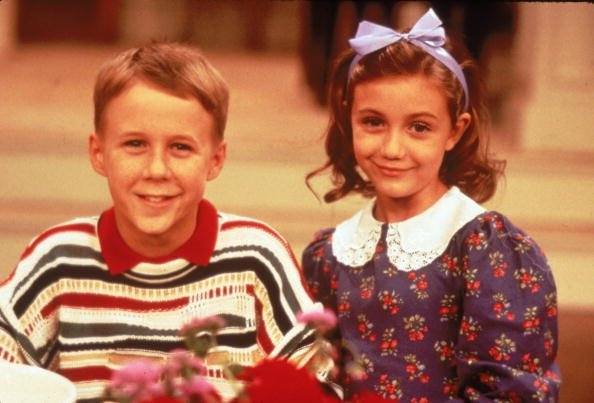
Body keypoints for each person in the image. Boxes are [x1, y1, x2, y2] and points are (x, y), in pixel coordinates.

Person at [0, 42, 331, 402]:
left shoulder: (257, 258)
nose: (156, 170)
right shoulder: (57, 261)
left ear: (215, 159)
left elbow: (315, 383)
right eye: (135, 144)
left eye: (180, 148)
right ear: (98, 153)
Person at [302, 9, 561, 402]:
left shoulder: (485, 249)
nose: (392, 148)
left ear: (455, 131)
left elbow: (509, 390)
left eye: (419, 127)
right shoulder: (330, 254)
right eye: (373, 122)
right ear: (348, 119)